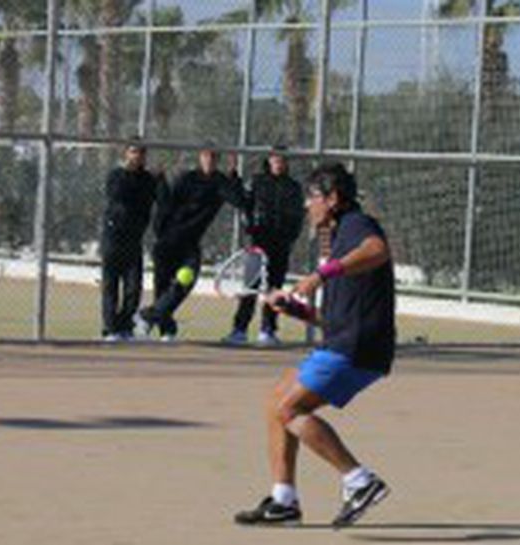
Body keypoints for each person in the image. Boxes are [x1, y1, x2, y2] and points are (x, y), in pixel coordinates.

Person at [234, 163, 396, 528]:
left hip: (357, 347)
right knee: (277, 400)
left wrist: (321, 274)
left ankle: (359, 480)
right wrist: (296, 310)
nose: (308, 205)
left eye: (313, 197)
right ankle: (283, 501)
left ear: (333, 198)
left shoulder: (356, 225)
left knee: (289, 410)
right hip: (345, 340)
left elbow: (377, 249)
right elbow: (333, 319)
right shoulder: (339, 238)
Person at [135, 142, 248, 341]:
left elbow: (240, 201)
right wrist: (161, 182)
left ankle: (147, 316)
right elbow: (167, 204)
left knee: (187, 281)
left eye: (214, 157)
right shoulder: (187, 178)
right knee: (162, 288)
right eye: (206, 156)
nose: (209, 160)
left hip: (190, 242)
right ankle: (166, 331)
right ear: (200, 157)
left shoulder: (220, 182)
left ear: (218, 160)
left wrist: (234, 177)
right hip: (169, 238)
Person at [224, 147, 305, 347]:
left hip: (281, 244)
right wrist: (233, 178)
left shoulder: (293, 187)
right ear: (269, 161)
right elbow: (240, 202)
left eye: (283, 159)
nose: (279, 163)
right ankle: (239, 330)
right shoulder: (257, 182)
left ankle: (268, 330)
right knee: (250, 286)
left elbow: (298, 216)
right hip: (258, 243)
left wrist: (289, 238)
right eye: (275, 159)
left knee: (274, 288)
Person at [100, 139, 160, 342]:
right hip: (113, 238)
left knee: (134, 288)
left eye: (141, 152)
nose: (138, 156)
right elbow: (117, 195)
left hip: (134, 240)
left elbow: (163, 201)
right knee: (111, 286)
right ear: (126, 153)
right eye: (134, 151)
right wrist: (129, 172)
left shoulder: (148, 179)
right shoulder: (116, 175)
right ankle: (110, 329)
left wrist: (161, 180)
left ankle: (125, 326)